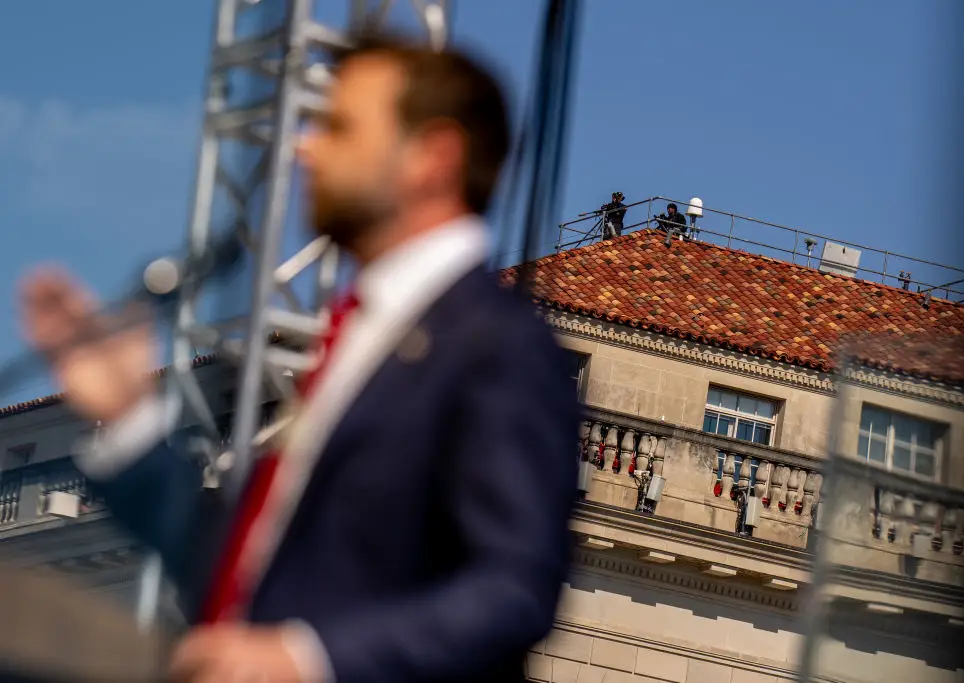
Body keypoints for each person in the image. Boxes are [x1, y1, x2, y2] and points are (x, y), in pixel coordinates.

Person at [18, 33, 579, 683]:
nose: (303, 147)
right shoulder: (361, 339)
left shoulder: (495, 344)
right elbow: (240, 581)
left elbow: (513, 589)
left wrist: (311, 659)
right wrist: (130, 419)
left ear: (433, 156)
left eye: (338, 128)